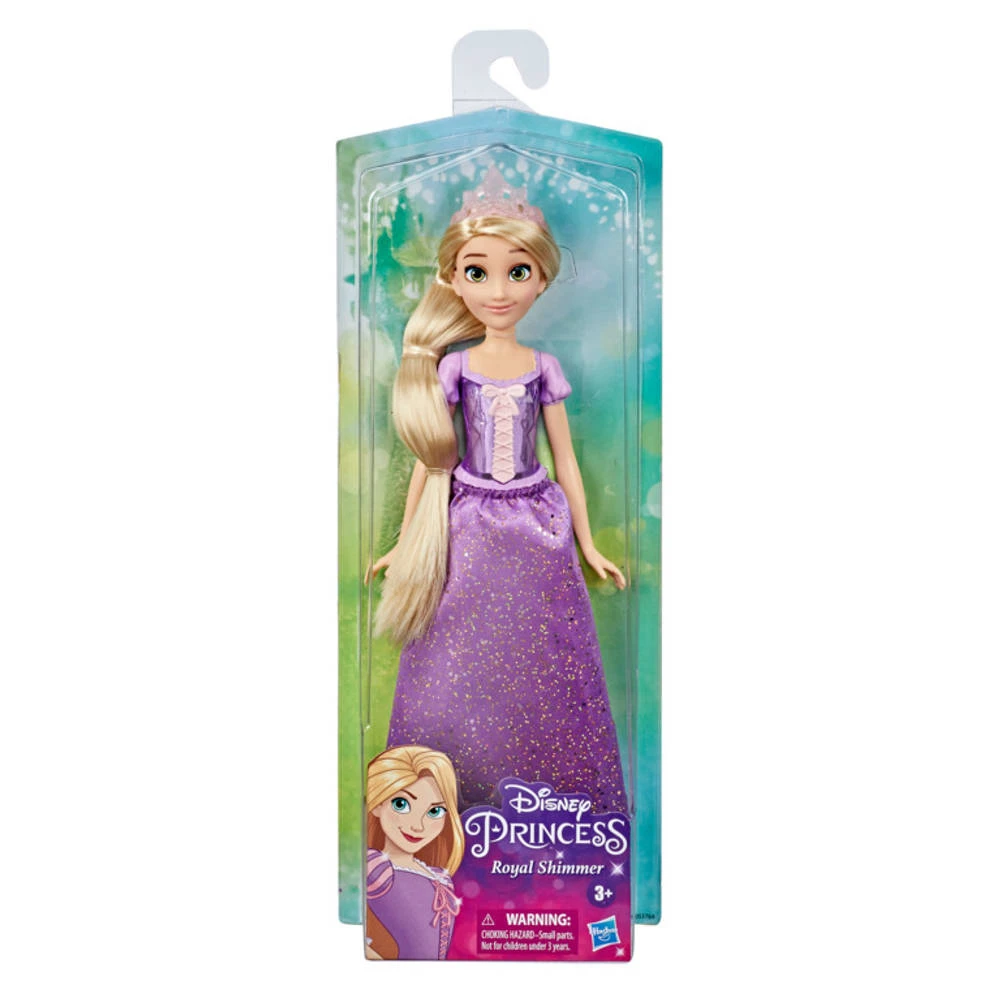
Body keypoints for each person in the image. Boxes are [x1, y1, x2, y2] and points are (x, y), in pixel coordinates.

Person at [370, 166, 628, 814]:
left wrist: (587, 544)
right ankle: (447, 799)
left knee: (548, 661)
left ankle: (558, 805)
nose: (499, 290)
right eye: (477, 272)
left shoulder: (543, 366)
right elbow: (433, 460)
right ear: (453, 280)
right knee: (454, 655)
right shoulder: (455, 365)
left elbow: (566, 460)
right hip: (467, 524)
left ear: (541, 278)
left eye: (518, 272)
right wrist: (406, 544)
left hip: (538, 526)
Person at [365, 745, 463, 960]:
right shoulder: (375, 866)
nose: (418, 826)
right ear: (377, 804)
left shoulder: (441, 876)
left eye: (435, 811)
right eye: (401, 804)